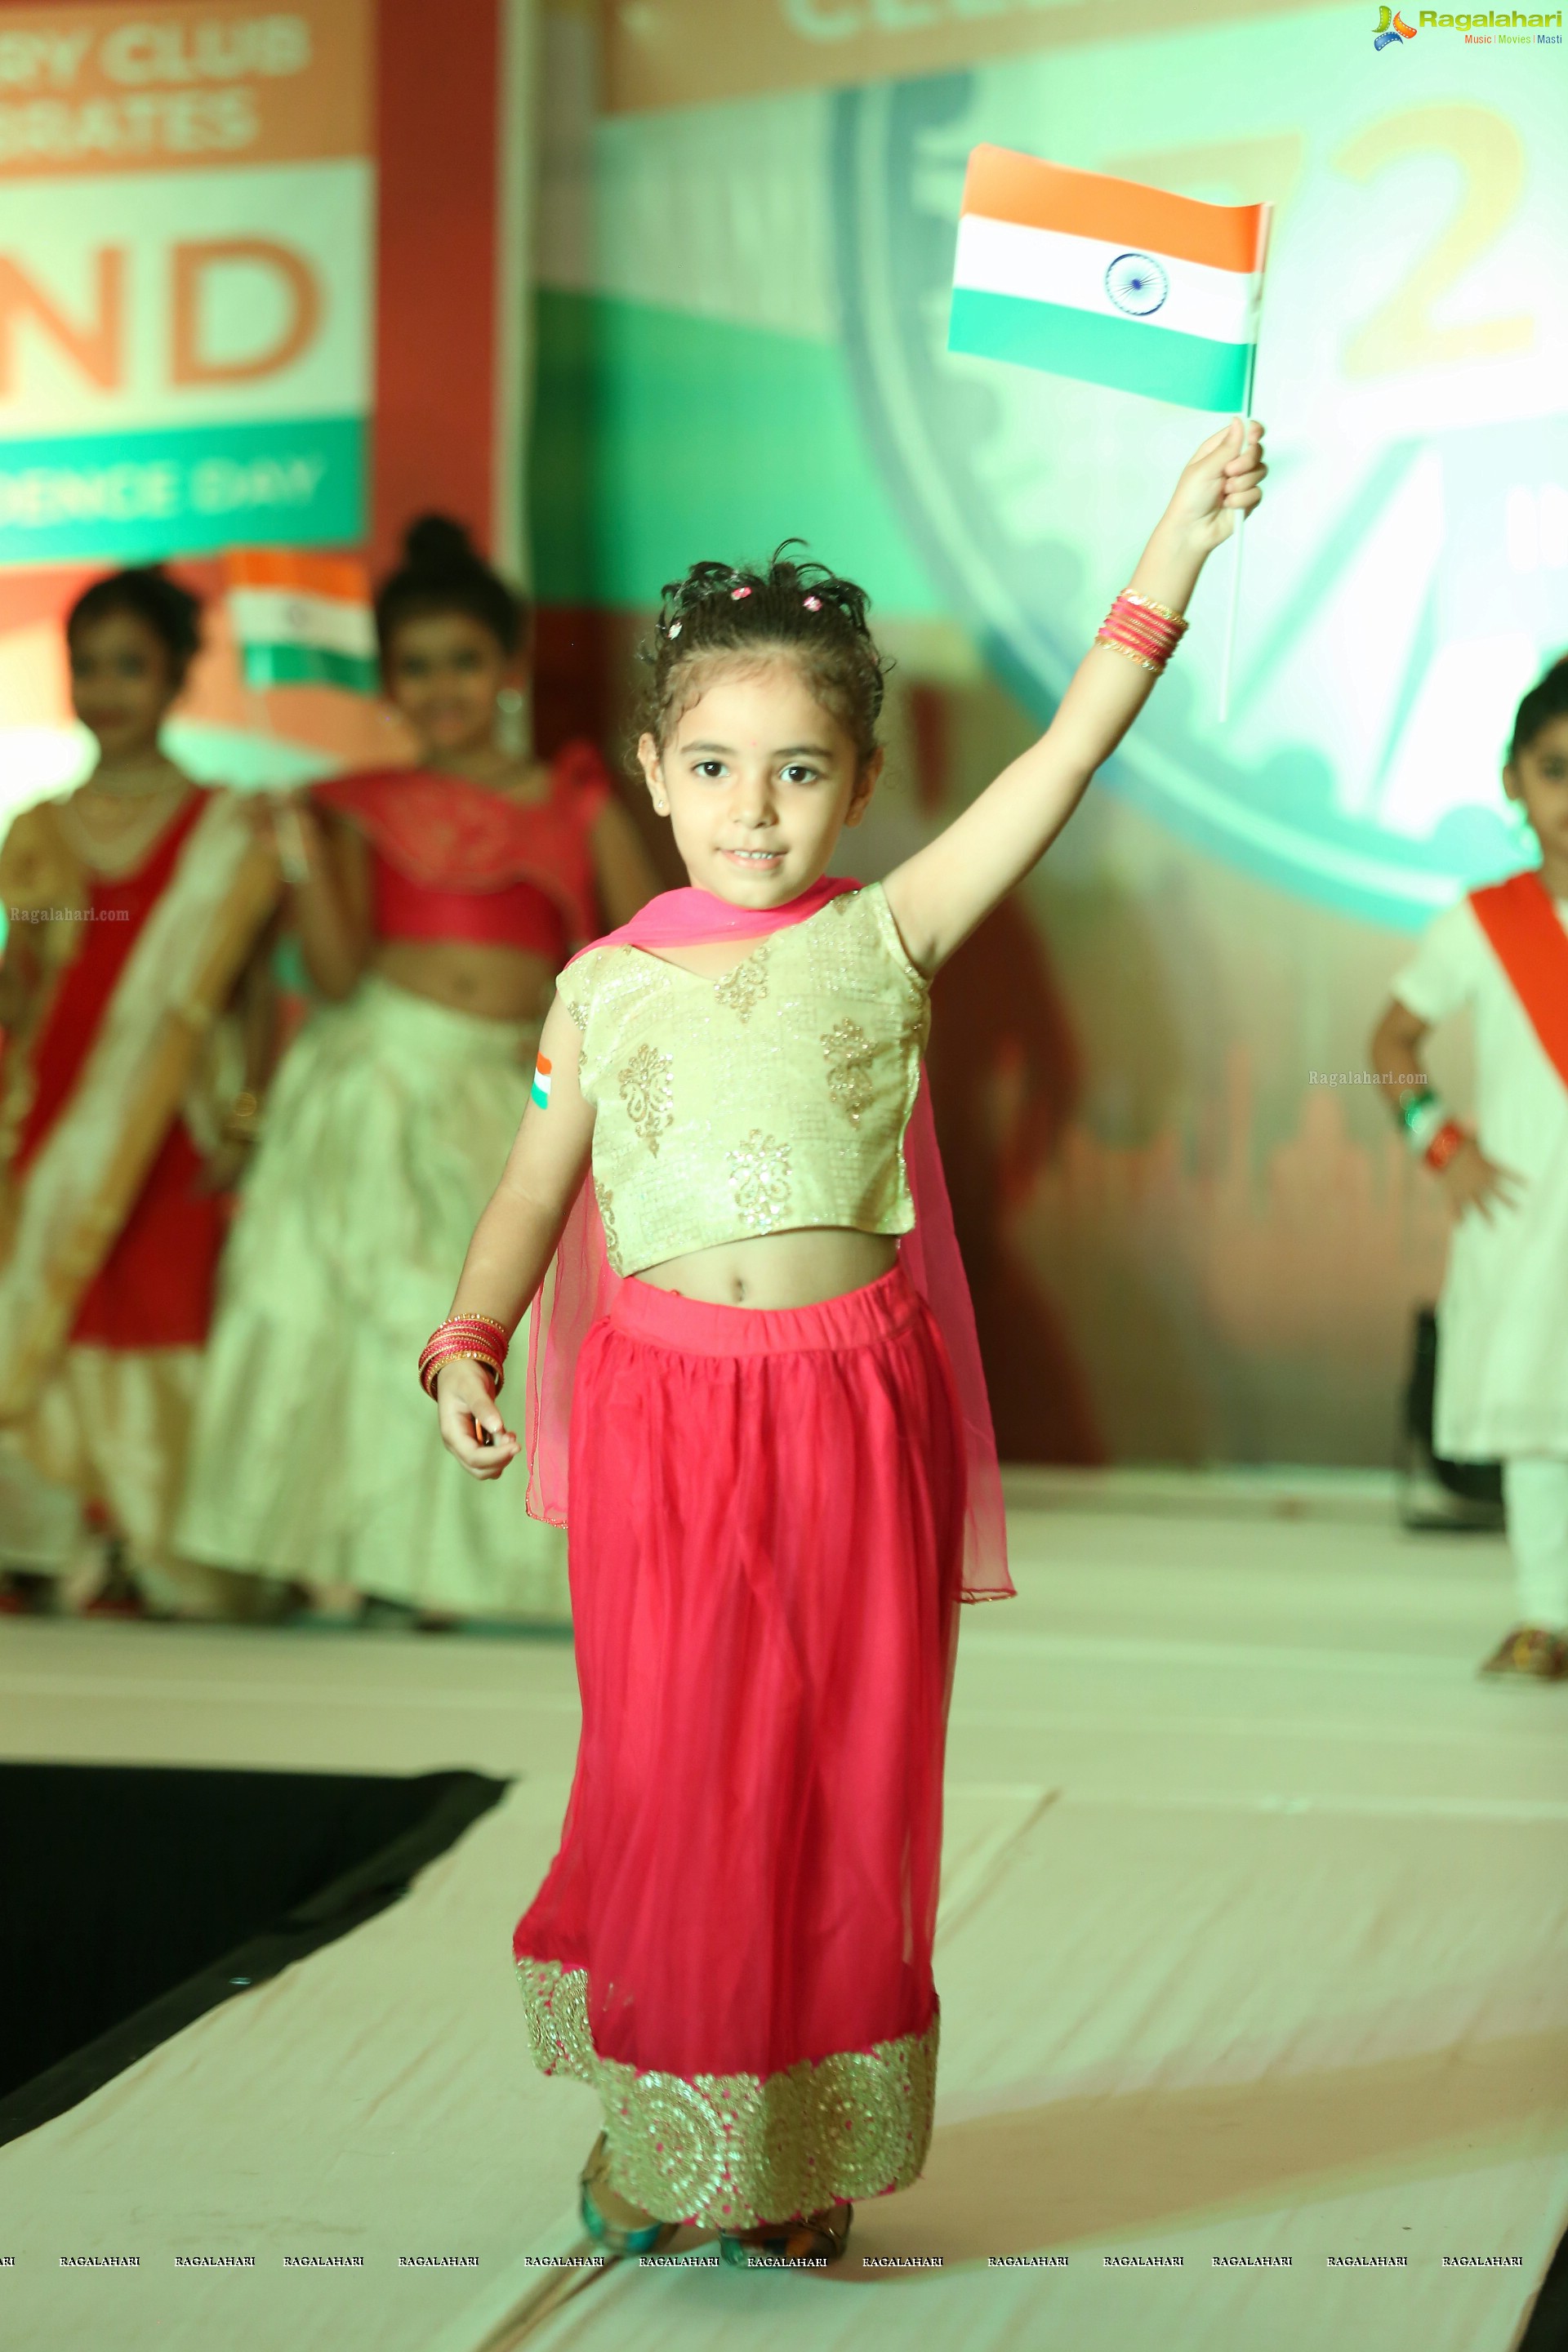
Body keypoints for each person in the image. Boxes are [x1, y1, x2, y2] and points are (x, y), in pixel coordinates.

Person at [420, 423, 1266, 2263]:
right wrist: (473, 1337)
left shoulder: (890, 933)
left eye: (799, 769)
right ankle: (676, 2121)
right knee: (679, 1766)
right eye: (714, 764)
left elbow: (1067, 752)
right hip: (661, 1422)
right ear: (649, 773)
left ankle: (796, 2149)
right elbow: (528, 1196)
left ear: (863, 780)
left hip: (848, 1409)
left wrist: (1177, 544)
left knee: (834, 1769)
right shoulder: (602, 986)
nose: (753, 805)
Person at [173, 516, 659, 1624]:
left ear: (505, 669)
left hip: (516, 1087)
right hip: (376, 1075)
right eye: (417, 667)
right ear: (389, 681)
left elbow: (639, 963)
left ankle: (472, 1570)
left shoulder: (573, 804)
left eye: (464, 662)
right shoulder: (355, 806)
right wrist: (299, 856)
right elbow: (337, 975)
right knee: (359, 1318)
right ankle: (353, 1563)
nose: (441, 686)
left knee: (503, 1316)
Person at [0, 567, 282, 1619]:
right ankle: (48, 1545)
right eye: (89, 667)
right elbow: (22, 987)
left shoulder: (228, 829)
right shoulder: (38, 828)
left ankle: (160, 1555)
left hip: (176, 1114)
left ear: (174, 680)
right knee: (55, 1317)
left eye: (131, 666)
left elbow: (252, 992)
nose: (107, 688)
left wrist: (249, 1112)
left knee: (161, 1315)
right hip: (55, 1111)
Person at [1371, 657, 1568, 1682]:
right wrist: (1441, 1146)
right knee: (1540, 1414)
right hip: (1530, 1207)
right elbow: (1389, 1041)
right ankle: (1546, 1611)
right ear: (1512, 779)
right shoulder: (1484, 926)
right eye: (1556, 770)